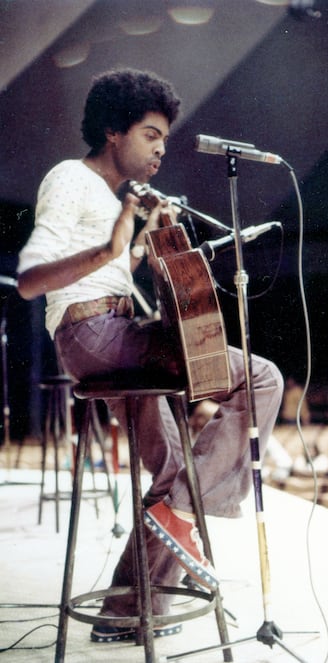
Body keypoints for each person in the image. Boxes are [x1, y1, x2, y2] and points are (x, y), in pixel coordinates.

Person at [17, 68, 284, 642]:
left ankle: (126, 612)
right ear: (113, 131)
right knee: (260, 377)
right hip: (97, 337)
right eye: (150, 134)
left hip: (110, 335)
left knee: (172, 471)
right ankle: (177, 518)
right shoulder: (69, 177)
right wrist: (116, 244)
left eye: (164, 137)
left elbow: (109, 272)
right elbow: (31, 281)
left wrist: (141, 243)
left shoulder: (112, 196)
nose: (161, 148)